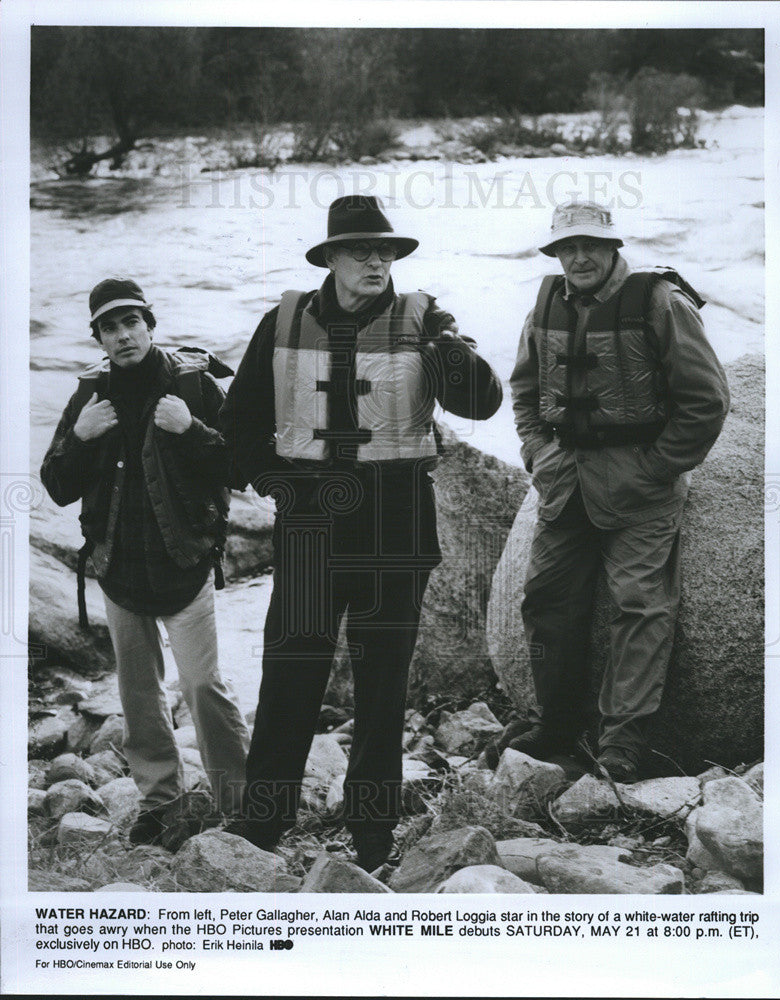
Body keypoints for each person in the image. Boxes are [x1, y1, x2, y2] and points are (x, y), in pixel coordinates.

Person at [220, 195, 502, 870]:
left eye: (386, 252)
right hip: (310, 529)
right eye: (361, 251)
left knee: (382, 689)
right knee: (289, 674)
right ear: (331, 259)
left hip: (395, 528)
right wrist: (277, 485)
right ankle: (260, 827)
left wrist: (452, 358)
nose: (377, 262)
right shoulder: (281, 322)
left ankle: (371, 838)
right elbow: (239, 429)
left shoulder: (427, 320)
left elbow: (481, 403)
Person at [508, 200, 730, 783]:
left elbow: (705, 400)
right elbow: (526, 391)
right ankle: (556, 726)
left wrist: (657, 467)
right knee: (544, 600)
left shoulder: (661, 301)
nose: (579, 257)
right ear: (556, 253)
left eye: (591, 246)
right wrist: (538, 453)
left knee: (639, 607)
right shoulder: (546, 300)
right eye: (567, 247)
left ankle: (622, 744)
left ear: (613, 248)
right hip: (564, 484)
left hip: (641, 492)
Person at [41, 279, 250, 844]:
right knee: (138, 695)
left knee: (203, 686)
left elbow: (241, 467)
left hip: (185, 565)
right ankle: (162, 803)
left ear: (150, 326)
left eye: (131, 322)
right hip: (118, 569)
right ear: (100, 340)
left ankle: (240, 802)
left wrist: (193, 430)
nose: (123, 335)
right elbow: (56, 486)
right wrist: (81, 438)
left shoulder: (194, 383)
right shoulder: (89, 397)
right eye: (110, 327)